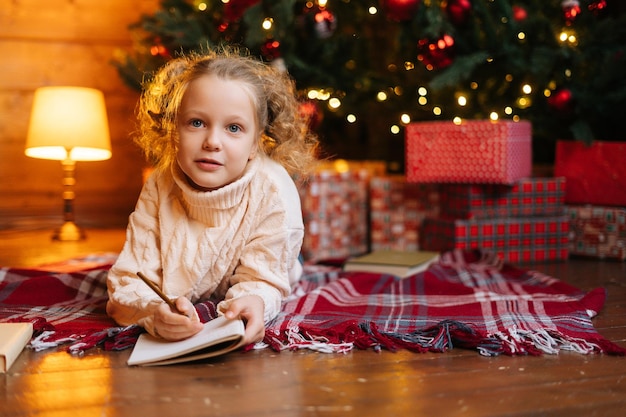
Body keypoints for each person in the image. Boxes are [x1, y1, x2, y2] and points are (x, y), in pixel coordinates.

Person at [106, 46, 319, 346]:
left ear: (255, 144)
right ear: (174, 130)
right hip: (191, 270)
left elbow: (263, 279)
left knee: (284, 270)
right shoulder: (160, 184)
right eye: (196, 123)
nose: (212, 142)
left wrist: (254, 301)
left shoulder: (273, 191)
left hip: (272, 253)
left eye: (234, 128)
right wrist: (153, 312)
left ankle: (295, 261)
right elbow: (131, 278)